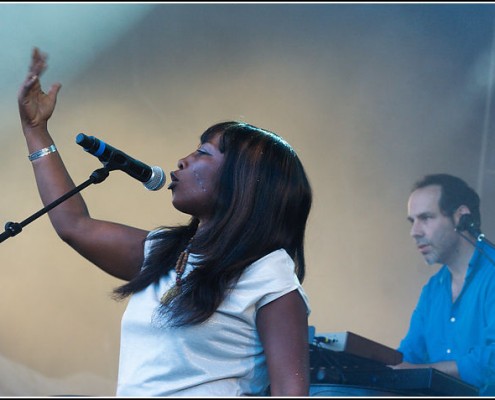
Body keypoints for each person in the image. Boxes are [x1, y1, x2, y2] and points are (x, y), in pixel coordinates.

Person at [18, 47, 313, 396]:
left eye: (203, 152)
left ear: (244, 182)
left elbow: (290, 393)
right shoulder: (164, 252)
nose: (183, 160)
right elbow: (74, 225)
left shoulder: (267, 273)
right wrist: (36, 130)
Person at [391, 173, 495, 395]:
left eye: (426, 218)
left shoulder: (492, 275)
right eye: (412, 221)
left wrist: (420, 370)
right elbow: (409, 356)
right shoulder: (432, 289)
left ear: (461, 217)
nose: (414, 232)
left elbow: (491, 363)